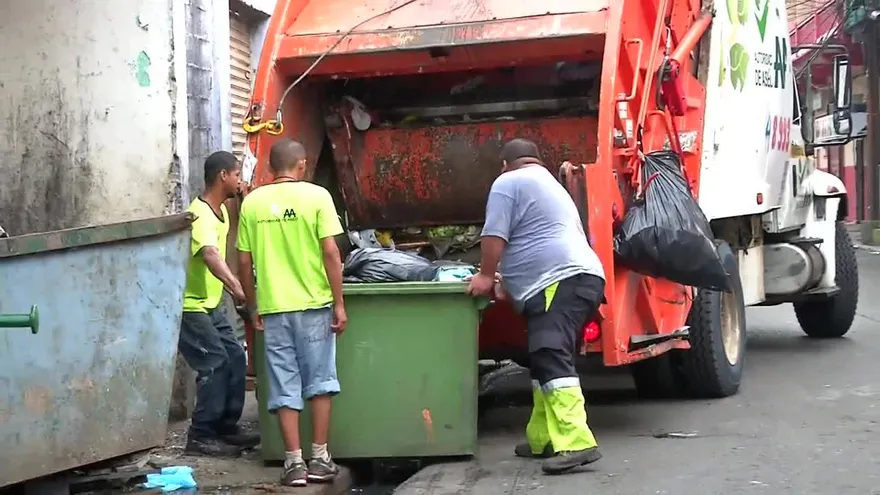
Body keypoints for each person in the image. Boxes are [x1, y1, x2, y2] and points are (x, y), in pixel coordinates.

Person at [467, 138, 607, 475]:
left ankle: (576, 442)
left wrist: (486, 277)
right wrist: (510, 284)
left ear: (505, 164)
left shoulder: (509, 182)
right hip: (578, 279)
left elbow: (494, 236)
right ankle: (543, 437)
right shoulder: (548, 183)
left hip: (560, 281)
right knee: (543, 357)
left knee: (549, 352)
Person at [237, 139, 347, 487]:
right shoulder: (317, 197)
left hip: (274, 308)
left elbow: (243, 260)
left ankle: (294, 464)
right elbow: (331, 252)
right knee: (320, 382)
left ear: (271, 168)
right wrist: (339, 302)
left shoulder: (252, 202)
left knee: (284, 383)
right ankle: (320, 459)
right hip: (314, 304)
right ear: (302, 165)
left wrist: (253, 305)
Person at [178, 150, 260, 457]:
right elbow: (211, 255)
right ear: (222, 176)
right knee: (214, 362)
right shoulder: (198, 214)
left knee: (236, 357)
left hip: (210, 304)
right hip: (190, 306)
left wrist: (245, 194)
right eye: (237, 174)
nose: (240, 180)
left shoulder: (222, 212)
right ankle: (200, 435)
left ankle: (225, 428)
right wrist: (237, 288)